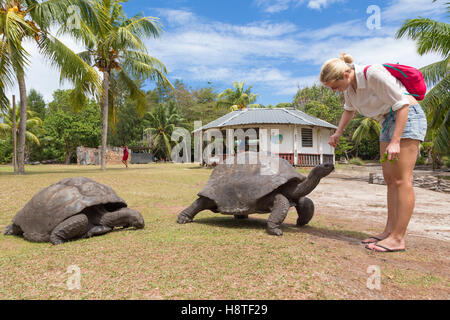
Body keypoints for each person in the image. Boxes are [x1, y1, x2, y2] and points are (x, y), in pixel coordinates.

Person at [320, 53, 427, 252]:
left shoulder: (373, 74)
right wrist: (338, 133)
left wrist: (396, 140)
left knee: (402, 179)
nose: (334, 91)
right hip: (386, 121)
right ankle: (388, 231)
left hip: (407, 117)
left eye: (334, 86)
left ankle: (398, 238)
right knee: (390, 179)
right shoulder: (350, 88)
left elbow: (402, 104)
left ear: (345, 73)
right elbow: (349, 110)